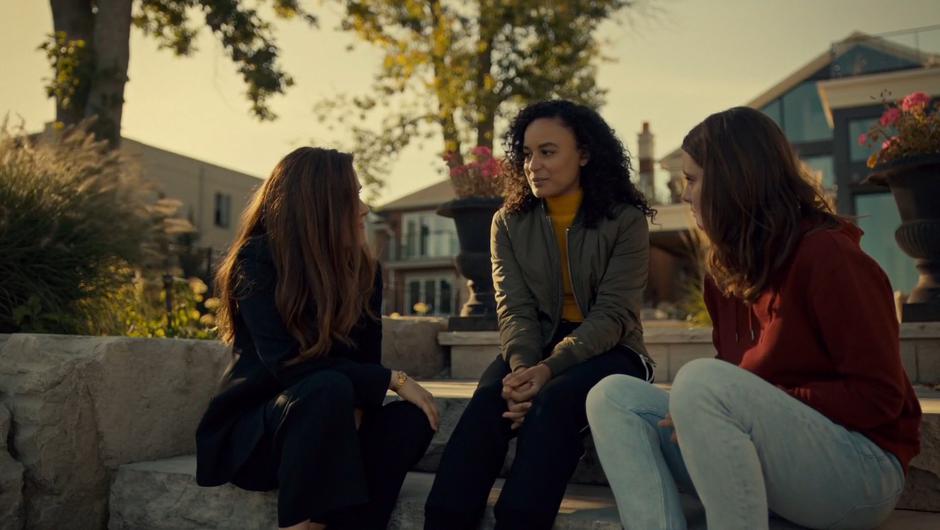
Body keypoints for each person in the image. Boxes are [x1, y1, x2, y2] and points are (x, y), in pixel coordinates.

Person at [586, 106, 922, 530]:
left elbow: (878, 398)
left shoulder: (830, 257)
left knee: (700, 382)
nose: (684, 195)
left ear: (733, 179)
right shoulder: (725, 275)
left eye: (692, 180)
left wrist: (740, 403)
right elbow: (735, 385)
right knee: (613, 397)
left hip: (860, 471)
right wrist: (712, 413)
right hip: (773, 461)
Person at [423, 99, 657, 530]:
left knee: (552, 403)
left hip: (613, 349)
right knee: (488, 403)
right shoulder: (508, 223)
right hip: (534, 347)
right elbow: (514, 309)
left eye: (548, 152)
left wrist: (547, 372)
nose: (534, 165)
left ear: (583, 154)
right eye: (527, 154)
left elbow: (613, 314)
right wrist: (522, 369)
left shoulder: (625, 221)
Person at [195, 147, 439, 530]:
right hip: (262, 436)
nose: (364, 208)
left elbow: (364, 365)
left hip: (331, 428)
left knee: (413, 418)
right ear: (317, 206)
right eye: (351, 197)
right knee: (326, 387)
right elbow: (289, 366)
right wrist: (394, 379)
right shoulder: (256, 260)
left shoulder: (364, 272)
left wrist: (358, 405)